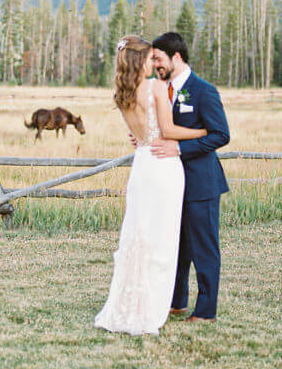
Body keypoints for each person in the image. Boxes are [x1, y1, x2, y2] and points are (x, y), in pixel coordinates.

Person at [94, 35, 208, 335]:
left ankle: (130, 303)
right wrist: (201, 132)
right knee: (162, 239)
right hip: (163, 166)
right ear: (139, 60)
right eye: (149, 58)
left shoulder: (121, 94)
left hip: (142, 164)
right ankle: (152, 307)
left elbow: (139, 135)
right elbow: (167, 130)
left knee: (138, 235)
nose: (153, 63)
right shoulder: (156, 88)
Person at [150, 32, 230, 323]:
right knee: (177, 245)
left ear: (177, 57)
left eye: (158, 58)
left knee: (204, 249)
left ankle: (206, 311)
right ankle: (176, 301)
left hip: (201, 183)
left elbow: (221, 135)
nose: (155, 64)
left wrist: (180, 148)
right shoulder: (161, 89)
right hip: (171, 183)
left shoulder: (203, 91)